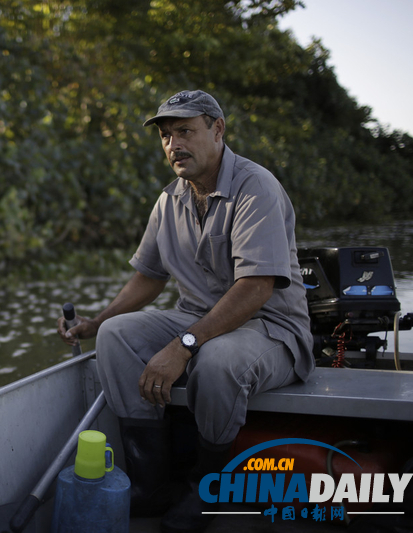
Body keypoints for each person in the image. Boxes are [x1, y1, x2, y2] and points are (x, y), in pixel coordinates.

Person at [57, 90, 314, 533]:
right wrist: (96, 322)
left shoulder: (256, 187)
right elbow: (149, 277)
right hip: (196, 319)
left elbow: (256, 288)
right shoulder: (169, 199)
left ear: (218, 129)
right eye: (166, 135)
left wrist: (185, 345)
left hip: (270, 328)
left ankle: (208, 487)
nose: (174, 144)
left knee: (215, 361)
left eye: (185, 131)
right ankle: (151, 482)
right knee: (116, 337)